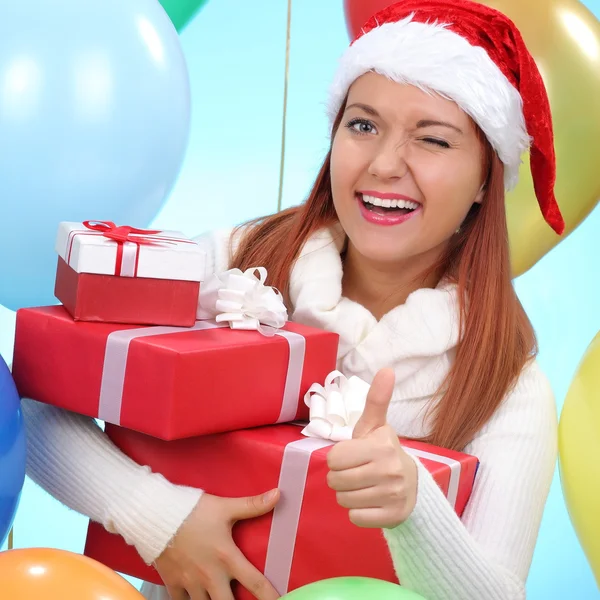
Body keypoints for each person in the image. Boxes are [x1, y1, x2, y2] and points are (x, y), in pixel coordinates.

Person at [21, 0, 565, 598]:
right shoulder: (234, 263)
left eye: (432, 140)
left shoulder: (507, 387)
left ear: (487, 176)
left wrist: (415, 508)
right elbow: (35, 400)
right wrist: (161, 521)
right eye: (362, 125)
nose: (384, 164)